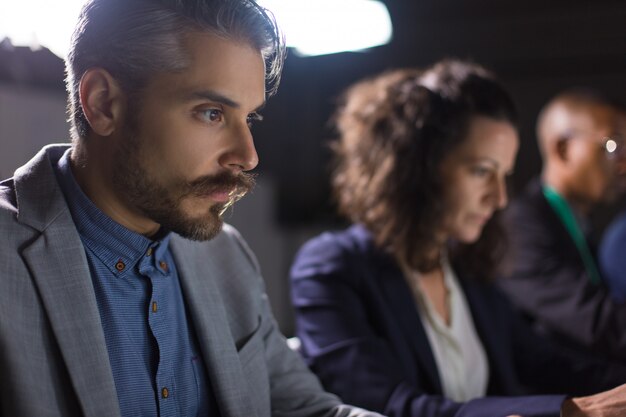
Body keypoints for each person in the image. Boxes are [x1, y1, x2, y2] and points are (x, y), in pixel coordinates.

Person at [0, 0, 383, 416]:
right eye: (212, 113)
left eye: (249, 118)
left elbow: (304, 408)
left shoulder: (227, 256)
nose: (248, 156)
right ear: (103, 102)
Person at [290, 60, 626, 417]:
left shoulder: (466, 266)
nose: (499, 199)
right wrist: (576, 410)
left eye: (503, 175)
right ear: (418, 168)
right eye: (482, 171)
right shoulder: (332, 268)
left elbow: (543, 360)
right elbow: (390, 406)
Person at [498, 89, 626, 362]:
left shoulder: (580, 225)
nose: (622, 164)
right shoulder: (521, 228)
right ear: (563, 148)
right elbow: (597, 323)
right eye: (613, 146)